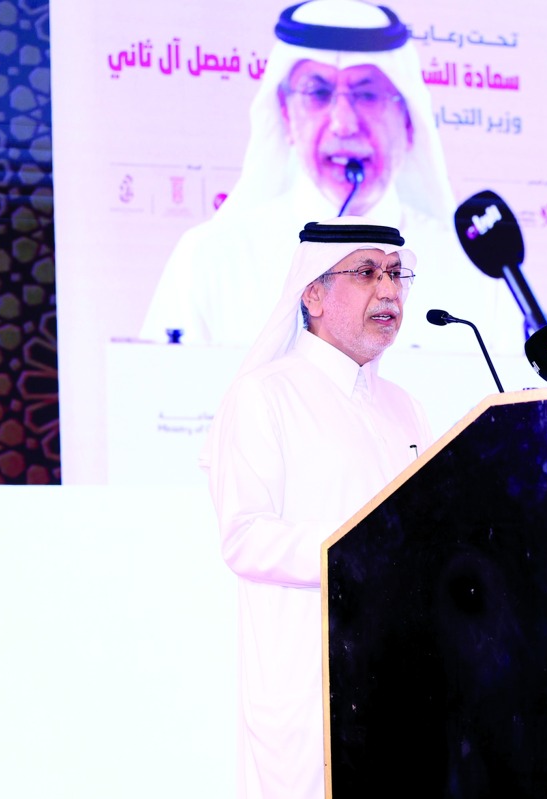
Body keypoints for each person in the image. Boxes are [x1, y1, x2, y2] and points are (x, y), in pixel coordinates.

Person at [202, 217, 432, 798]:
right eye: (367, 272)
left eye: (396, 274)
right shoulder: (264, 395)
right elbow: (244, 537)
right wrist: (365, 546)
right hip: (311, 687)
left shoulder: (404, 406)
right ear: (313, 294)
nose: (388, 290)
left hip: (406, 676)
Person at [141, 0, 511, 349]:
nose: (343, 123)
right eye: (317, 93)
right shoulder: (210, 259)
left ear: (409, 121)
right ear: (285, 114)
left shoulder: (474, 273)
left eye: (367, 95)